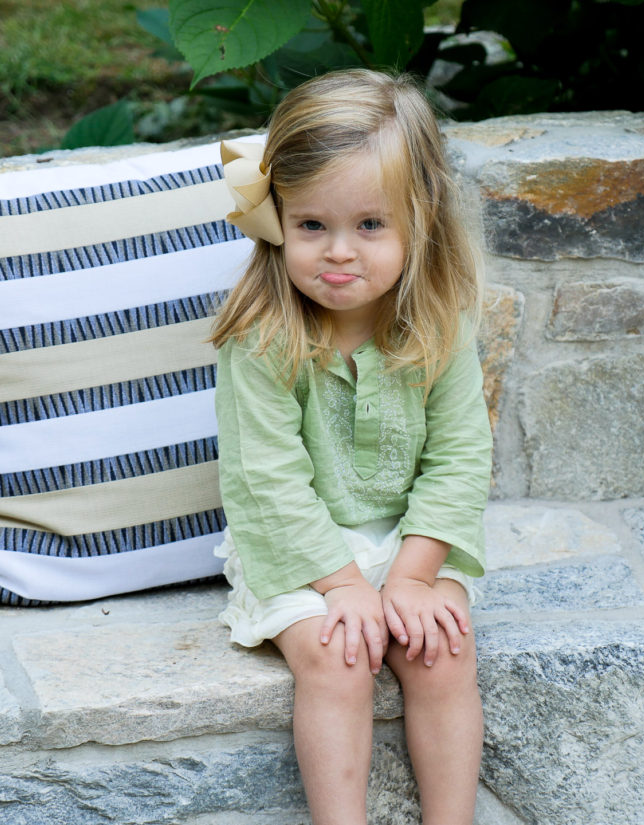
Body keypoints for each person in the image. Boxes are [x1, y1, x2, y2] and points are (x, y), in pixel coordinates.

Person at [209, 68, 492, 825]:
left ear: (420, 219)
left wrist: (411, 576)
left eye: (370, 225)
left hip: (410, 543)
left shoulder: (439, 323)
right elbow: (264, 481)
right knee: (339, 656)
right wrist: (342, 586)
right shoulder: (262, 336)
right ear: (277, 219)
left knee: (442, 650)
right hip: (299, 548)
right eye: (312, 226)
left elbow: (460, 460)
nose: (339, 253)